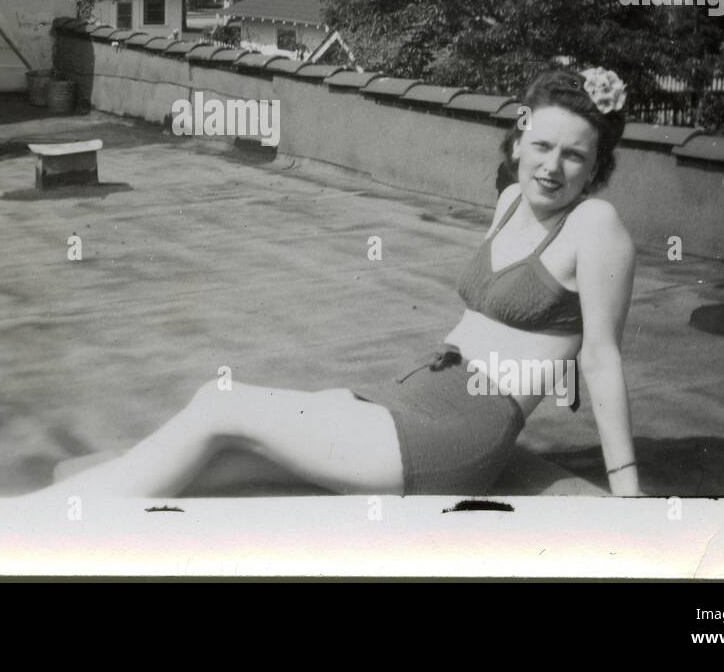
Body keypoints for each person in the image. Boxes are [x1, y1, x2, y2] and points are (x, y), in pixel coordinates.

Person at [37, 66, 640, 498]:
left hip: (460, 431)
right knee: (218, 459)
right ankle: (51, 517)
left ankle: (31, 533)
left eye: (574, 156)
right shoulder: (510, 199)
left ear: (596, 168)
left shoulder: (595, 225)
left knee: (220, 403)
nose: (552, 167)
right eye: (541, 145)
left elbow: (603, 362)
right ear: (520, 139)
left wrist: (628, 494)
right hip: (414, 392)